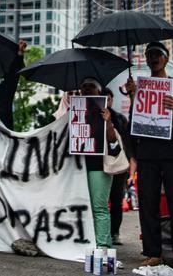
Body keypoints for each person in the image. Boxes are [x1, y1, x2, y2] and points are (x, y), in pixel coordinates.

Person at [124, 41, 173, 273]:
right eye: (149, 54)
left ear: (166, 58)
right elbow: (134, 122)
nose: (153, 58)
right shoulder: (140, 86)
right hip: (147, 154)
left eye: (157, 54)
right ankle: (153, 253)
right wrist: (134, 95)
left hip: (172, 153)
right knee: (147, 204)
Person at [69, 78, 123, 251]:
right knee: (79, 207)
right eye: (83, 86)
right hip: (77, 167)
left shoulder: (109, 114)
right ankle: (83, 243)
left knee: (99, 207)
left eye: (91, 86)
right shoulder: (73, 110)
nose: (86, 89)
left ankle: (102, 245)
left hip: (99, 166)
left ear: (99, 92)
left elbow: (115, 145)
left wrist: (107, 122)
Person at [103, 87, 134, 248]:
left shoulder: (120, 119)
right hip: (101, 165)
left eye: (109, 99)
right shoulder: (93, 116)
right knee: (101, 201)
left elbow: (127, 144)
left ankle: (114, 232)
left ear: (112, 100)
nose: (107, 102)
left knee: (116, 200)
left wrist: (130, 165)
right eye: (104, 98)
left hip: (119, 166)